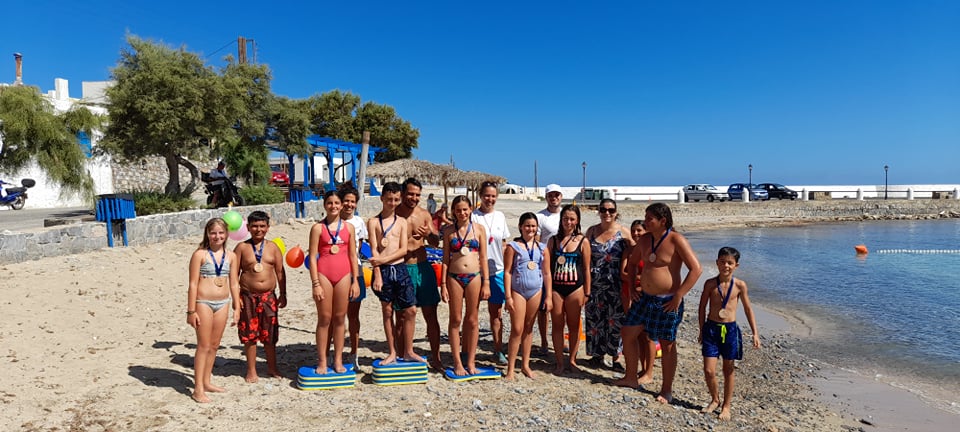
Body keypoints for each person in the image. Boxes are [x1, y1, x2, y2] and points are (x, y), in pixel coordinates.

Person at [624, 202, 702, 404]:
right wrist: (631, 287)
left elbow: (696, 269)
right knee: (628, 332)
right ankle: (631, 377)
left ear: (663, 221)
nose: (645, 222)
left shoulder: (676, 240)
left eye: (649, 218)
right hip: (644, 298)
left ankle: (666, 390)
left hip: (668, 301)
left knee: (667, 345)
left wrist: (679, 295)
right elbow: (632, 264)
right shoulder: (645, 240)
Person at [698, 247, 761, 421]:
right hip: (711, 329)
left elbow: (748, 309)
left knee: (729, 369)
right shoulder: (710, 284)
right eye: (722, 262)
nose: (726, 265)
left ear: (736, 266)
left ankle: (726, 405)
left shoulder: (740, 285)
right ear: (717, 263)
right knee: (709, 370)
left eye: (730, 263)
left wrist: (755, 333)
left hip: (730, 331)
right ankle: (715, 399)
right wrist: (701, 329)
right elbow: (702, 307)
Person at [187, 218, 240, 403]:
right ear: (207, 234)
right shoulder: (200, 255)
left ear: (226, 234)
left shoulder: (231, 256)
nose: (217, 236)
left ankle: (207, 381)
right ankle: (198, 388)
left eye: (221, 232)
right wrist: (191, 311)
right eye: (213, 233)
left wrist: (237, 307)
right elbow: (193, 284)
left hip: (223, 303)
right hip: (203, 303)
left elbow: (234, 283)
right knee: (203, 345)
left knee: (215, 345)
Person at [366, 182, 420, 364]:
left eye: (396, 199)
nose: (393, 203)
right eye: (389, 199)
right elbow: (374, 248)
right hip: (383, 272)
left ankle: (409, 350)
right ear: (382, 198)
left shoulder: (402, 222)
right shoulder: (373, 222)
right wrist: (378, 272)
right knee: (387, 310)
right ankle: (392, 352)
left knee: (411, 309)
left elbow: (403, 249)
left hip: (399, 268)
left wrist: (382, 260)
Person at [308, 191, 360, 374]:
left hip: (344, 275)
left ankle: (338, 360)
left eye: (337, 203)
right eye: (330, 203)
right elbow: (312, 257)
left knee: (340, 318)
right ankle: (322, 360)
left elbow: (353, 256)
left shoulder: (349, 228)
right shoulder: (317, 228)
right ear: (324, 205)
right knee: (324, 318)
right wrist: (315, 283)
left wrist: (355, 281)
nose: (334, 206)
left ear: (341, 205)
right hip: (324, 275)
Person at [395, 178, 444, 370]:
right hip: (402, 267)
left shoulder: (424, 215)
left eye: (417, 195)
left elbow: (435, 242)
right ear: (403, 193)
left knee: (430, 314)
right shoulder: (394, 214)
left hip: (422, 267)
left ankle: (436, 358)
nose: (414, 198)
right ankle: (401, 356)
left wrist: (428, 235)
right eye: (410, 194)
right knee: (401, 315)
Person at [234, 211, 287, 383]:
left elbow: (280, 272)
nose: (258, 229)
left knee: (270, 333)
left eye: (262, 226)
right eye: (255, 226)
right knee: (249, 334)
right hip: (247, 297)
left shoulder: (273, 247)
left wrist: (283, 293)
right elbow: (233, 274)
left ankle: (272, 367)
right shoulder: (242, 248)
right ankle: (251, 370)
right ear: (248, 227)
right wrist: (236, 298)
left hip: (268, 297)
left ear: (268, 227)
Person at [441, 195, 490, 376]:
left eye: (465, 209)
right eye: (458, 210)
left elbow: (483, 257)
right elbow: (445, 259)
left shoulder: (479, 229)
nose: (462, 213)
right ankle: (457, 361)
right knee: (455, 319)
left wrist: (486, 282)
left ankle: (471, 361)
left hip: (474, 277)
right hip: (454, 277)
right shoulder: (448, 231)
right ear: (453, 211)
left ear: (470, 209)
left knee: (473, 319)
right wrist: (443, 284)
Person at [584, 199, 634, 369]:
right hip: (595, 283)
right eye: (603, 210)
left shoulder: (624, 232)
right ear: (599, 211)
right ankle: (597, 355)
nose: (607, 213)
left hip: (616, 284)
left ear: (616, 212)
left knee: (616, 320)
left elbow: (636, 252)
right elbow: (584, 257)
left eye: (611, 210)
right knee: (595, 319)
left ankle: (616, 357)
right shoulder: (591, 231)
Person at [503, 212, 552, 380]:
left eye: (533, 226)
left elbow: (546, 273)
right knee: (517, 329)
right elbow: (508, 272)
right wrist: (508, 297)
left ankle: (525, 365)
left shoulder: (542, 248)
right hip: (518, 291)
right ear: (520, 227)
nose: (530, 229)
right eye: (527, 226)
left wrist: (548, 296)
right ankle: (510, 368)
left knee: (529, 327)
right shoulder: (513, 247)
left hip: (536, 291)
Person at [613, 219, 658, 388]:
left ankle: (648, 371)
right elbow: (623, 273)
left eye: (639, 230)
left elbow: (654, 273)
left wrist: (640, 280)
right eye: (633, 230)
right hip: (629, 292)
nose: (636, 233)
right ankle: (639, 369)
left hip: (646, 293)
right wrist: (637, 279)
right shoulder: (630, 250)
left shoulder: (651, 249)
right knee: (635, 333)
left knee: (648, 335)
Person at [547, 204, 591, 374]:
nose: (568, 222)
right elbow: (547, 269)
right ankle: (559, 361)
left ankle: (572, 360)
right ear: (561, 220)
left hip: (576, 289)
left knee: (574, 325)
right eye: (565, 218)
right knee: (557, 325)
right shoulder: (553, 240)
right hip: (557, 289)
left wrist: (587, 292)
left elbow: (586, 268)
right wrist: (548, 292)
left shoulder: (583, 241)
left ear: (577, 220)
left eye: (572, 219)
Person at [471, 181, 511, 364]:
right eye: (487, 195)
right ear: (481, 195)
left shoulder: (500, 216)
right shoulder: (473, 216)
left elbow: (503, 243)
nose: (490, 199)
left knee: (496, 313)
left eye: (493, 196)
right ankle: (468, 350)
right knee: (472, 313)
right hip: (476, 271)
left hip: (497, 270)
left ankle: (497, 349)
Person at [339, 187, 368, 366]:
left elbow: (360, 247)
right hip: (335, 272)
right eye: (346, 201)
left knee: (353, 315)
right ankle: (336, 353)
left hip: (355, 271)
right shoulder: (331, 221)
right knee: (337, 315)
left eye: (352, 201)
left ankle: (354, 352)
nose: (349, 204)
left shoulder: (359, 222)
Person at [535, 183, 563, 355]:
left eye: (556, 195)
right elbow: (537, 241)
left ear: (561, 196)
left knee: (561, 305)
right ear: (546, 197)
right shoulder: (540, 217)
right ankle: (544, 341)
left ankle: (559, 340)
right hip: (545, 265)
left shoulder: (566, 214)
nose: (554, 198)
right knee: (544, 307)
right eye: (551, 195)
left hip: (563, 266)